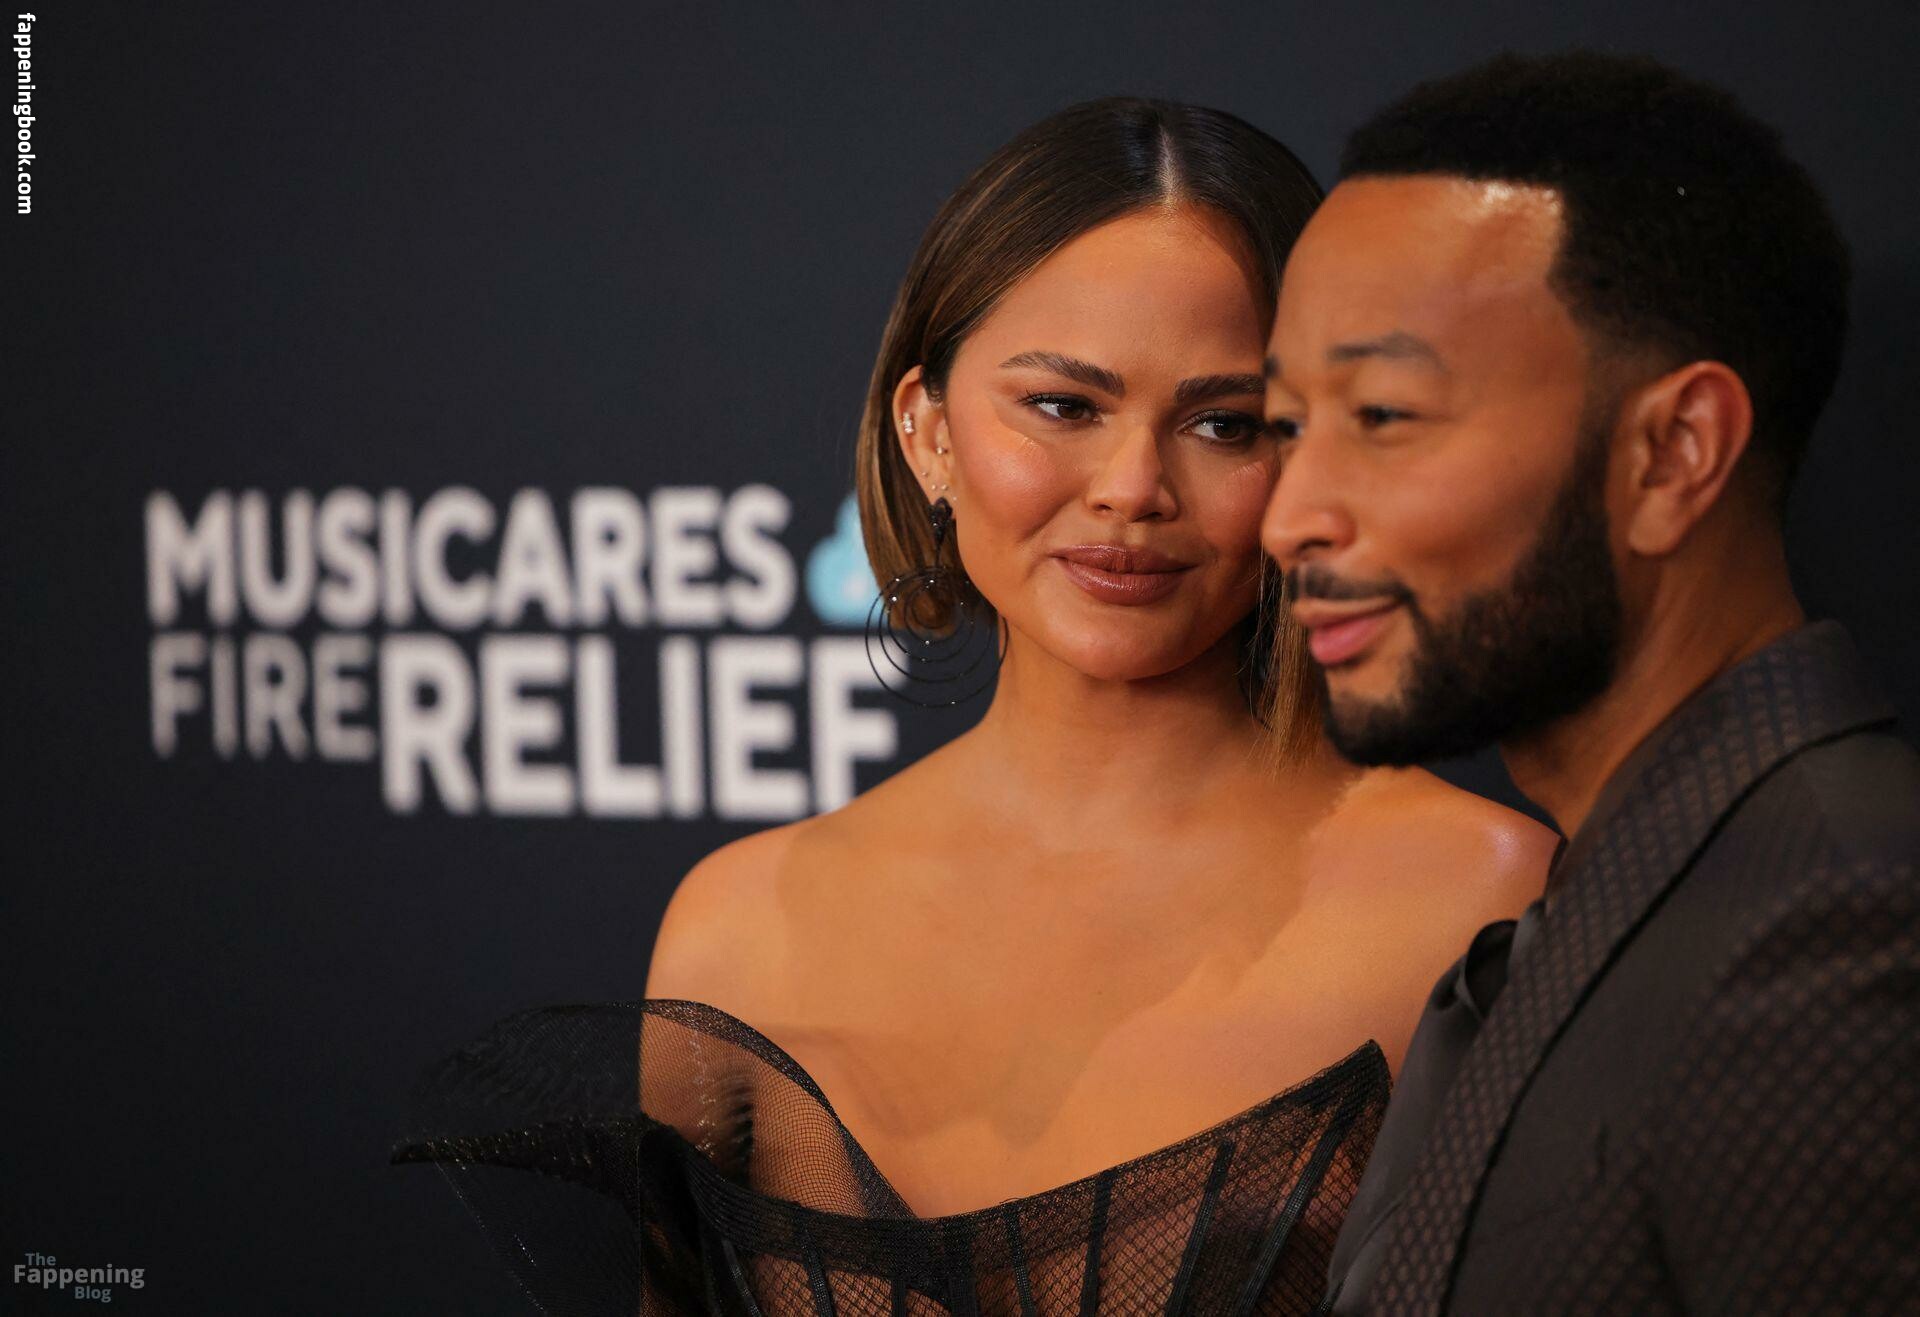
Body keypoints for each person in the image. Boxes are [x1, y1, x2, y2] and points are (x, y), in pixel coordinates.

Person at [395, 98, 1556, 1314]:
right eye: (1063, 406)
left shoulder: (1475, 908)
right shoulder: (740, 931)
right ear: (928, 433)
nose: (1134, 488)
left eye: (1225, 424)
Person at [1258, 51, 1920, 1315]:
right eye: (1287, 426)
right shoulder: (1634, 895)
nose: (1290, 517)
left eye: (1384, 416)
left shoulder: (1841, 927)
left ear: (1673, 453)